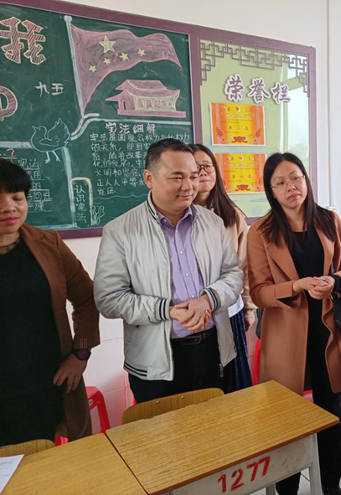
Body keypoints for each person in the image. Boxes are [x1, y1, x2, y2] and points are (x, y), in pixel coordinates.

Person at [94, 139, 243, 403]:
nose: (188, 186)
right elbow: (109, 299)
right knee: (163, 429)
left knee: (215, 426)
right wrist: (168, 311)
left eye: (193, 176)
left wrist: (207, 300)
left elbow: (233, 274)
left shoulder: (213, 223)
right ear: (149, 178)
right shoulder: (121, 231)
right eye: (177, 177)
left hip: (213, 351)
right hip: (156, 362)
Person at [247, 152, 341, 495]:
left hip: (328, 333)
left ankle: (331, 486)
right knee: (286, 418)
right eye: (280, 183)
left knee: (331, 412)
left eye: (295, 177)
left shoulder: (329, 220)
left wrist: (334, 281)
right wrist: (295, 286)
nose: (291, 187)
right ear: (271, 191)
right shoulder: (260, 232)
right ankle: (288, 489)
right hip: (285, 338)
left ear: (306, 180)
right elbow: (258, 292)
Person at [0, 158, 99, 446]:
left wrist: (80, 354)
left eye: (17, 197)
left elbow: (87, 298)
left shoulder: (49, 244)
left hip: (44, 383)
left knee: (42, 458)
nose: (9, 207)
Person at [189, 143, 256, 391]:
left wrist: (248, 308)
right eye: (196, 168)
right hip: (192, 314)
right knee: (200, 384)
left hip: (228, 309)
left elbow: (245, 266)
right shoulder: (176, 216)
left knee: (231, 382)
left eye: (207, 166)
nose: (203, 172)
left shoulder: (232, 215)